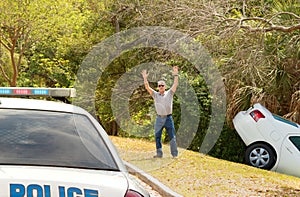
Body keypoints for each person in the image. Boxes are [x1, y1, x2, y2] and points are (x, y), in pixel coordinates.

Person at [141, 66, 179, 158]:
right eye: (159, 86)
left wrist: (176, 74)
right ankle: (159, 154)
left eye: (162, 85)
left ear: (165, 87)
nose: (161, 87)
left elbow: (175, 84)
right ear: (158, 87)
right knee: (157, 136)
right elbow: (147, 87)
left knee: (172, 137)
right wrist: (145, 78)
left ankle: (174, 154)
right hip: (159, 118)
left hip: (168, 118)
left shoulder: (169, 93)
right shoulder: (155, 95)